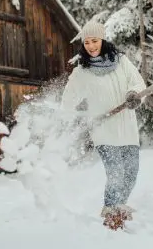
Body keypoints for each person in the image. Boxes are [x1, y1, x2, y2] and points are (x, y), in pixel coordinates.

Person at [61, 20, 146, 225]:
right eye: (87, 42)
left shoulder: (122, 61)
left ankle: (120, 206)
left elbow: (137, 83)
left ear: (103, 39)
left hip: (127, 128)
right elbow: (69, 98)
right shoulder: (82, 71)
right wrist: (65, 115)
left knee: (131, 173)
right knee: (115, 173)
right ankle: (111, 212)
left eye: (95, 40)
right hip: (104, 131)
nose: (91, 46)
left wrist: (134, 94)